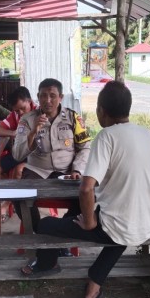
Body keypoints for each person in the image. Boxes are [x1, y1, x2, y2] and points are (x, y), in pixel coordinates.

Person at [25, 82, 150, 298]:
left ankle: (47, 264)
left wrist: (89, 223)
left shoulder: (107, 136)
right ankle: (93, 287)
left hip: (118, 226)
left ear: (101, 111)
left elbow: (86, 188)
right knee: (110, 223)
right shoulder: (147, 134)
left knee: (46, 225)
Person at [11, 78, 91, 233]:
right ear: (37, 97)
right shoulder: (27, 120)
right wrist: (33, 132)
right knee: (19, 196)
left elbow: (85, 148)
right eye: (43, 96)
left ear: (60, 97)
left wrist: (77, 170)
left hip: (67, 172)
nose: (48, 100)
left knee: (85, 197)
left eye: (52, 95)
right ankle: (39, 231)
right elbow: (17, 155)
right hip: (38, 170)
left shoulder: (72, 118)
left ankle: (63, 234)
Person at [0, 85, 37, 180]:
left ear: (29, 101)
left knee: (18, 171)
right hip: (18, 153)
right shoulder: (15, 115)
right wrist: (14, 133)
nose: (21, 112)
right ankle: (7, 192)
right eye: (17, 110)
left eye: (23, 108)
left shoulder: (39, 112)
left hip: (36, 155)